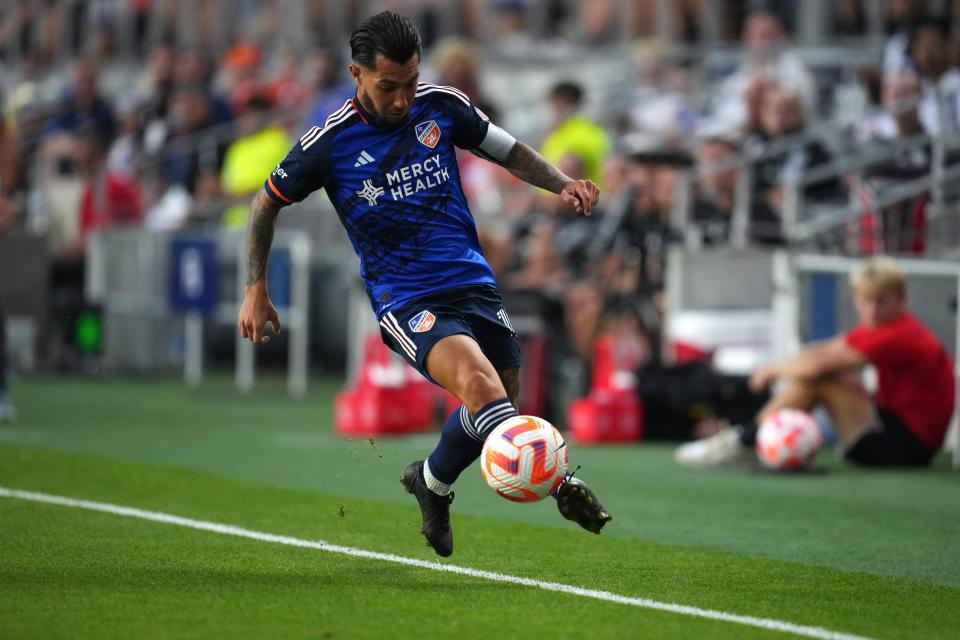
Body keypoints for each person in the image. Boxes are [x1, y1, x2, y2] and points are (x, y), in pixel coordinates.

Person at [236, 11, 611, 557]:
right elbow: (265, 203)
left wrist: (561, 184)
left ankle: (431, 483)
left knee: (496, 402)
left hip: (473, 281)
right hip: (406, 297)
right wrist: (255, 287)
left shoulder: (442, 104)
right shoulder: (329, 143)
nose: (403, 99)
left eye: (411, 82)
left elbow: (508, 151)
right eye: (389, 87)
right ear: (356, 75)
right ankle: (559, 484)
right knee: (483, 390)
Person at [675, 256, 955, 468]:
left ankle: (743, 441)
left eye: (881, 301)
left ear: (901, 299)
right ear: (855, 299)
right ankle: (747, 439)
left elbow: (816, 367)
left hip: (907, 449)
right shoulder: (883, 327)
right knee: (828, 376)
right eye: (865, 301)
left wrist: (771, 369)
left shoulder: (898, 334)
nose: (872, 310)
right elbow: (822, 351)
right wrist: (786, 367)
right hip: (898, 430)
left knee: (820, 379)